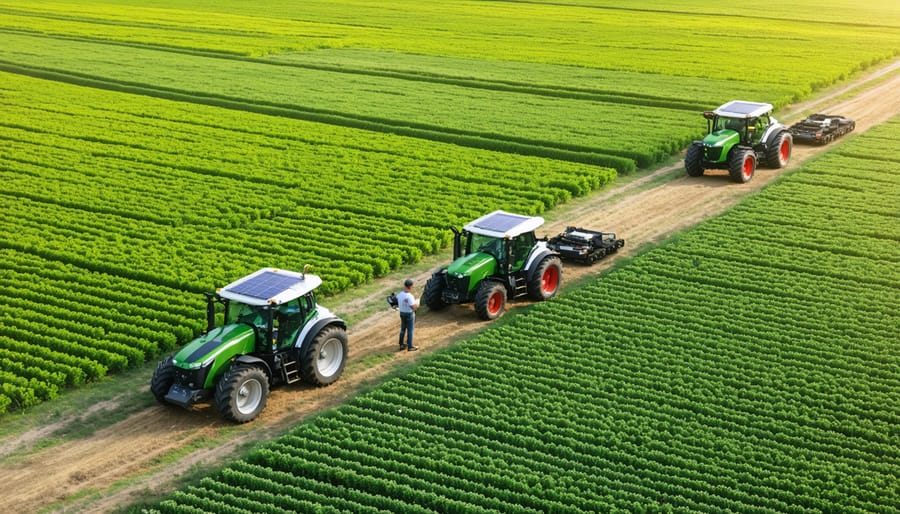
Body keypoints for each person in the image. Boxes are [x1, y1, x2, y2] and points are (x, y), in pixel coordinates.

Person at [397, 278, 419, 351]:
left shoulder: (399, 295)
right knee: (410, 330)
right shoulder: (409, 296)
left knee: (403, 329)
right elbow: (414, 307)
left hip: (402, 313)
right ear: (410, 287)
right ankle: (410, 346)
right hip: (409, 314)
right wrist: (417, 303)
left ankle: (401, 344)